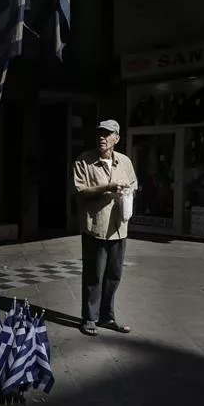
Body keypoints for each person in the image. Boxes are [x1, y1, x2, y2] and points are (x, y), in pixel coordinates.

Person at [73, 120, 138, 337]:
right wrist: (108, 187)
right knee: (94, 275)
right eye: (99, 133)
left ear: (116, 138)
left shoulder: (125, 162)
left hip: (119, 227)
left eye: (107, 134)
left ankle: (107, 317)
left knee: (114, 275)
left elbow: (134, 185)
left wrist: (125, 192)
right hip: (96, 227)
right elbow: (80, 191)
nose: (102, 137)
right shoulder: (84, 161)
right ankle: (89, 319)